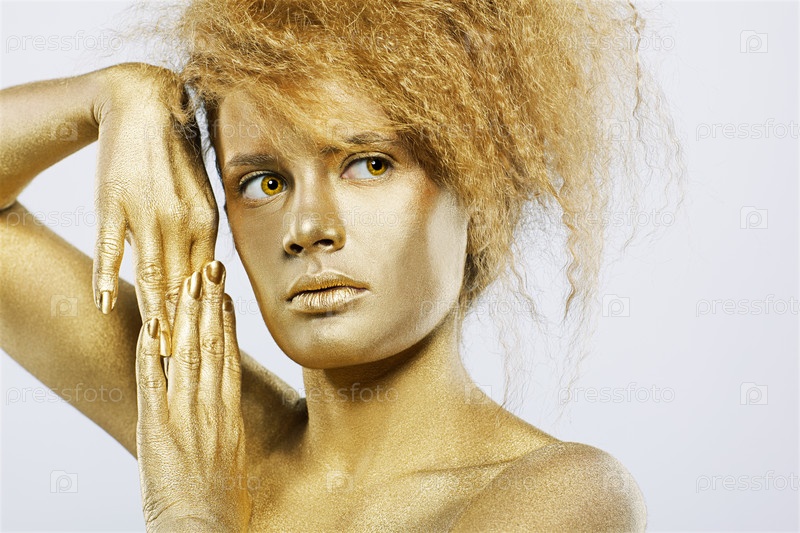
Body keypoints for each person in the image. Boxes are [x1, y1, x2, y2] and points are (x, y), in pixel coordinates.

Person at [0, 0, 681, 530]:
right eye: (264, 182)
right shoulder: (210, 430)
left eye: (369, 164)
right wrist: (121, 94)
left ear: (483, 189)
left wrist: (190, 517)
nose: (306, 228)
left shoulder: (562, 493)